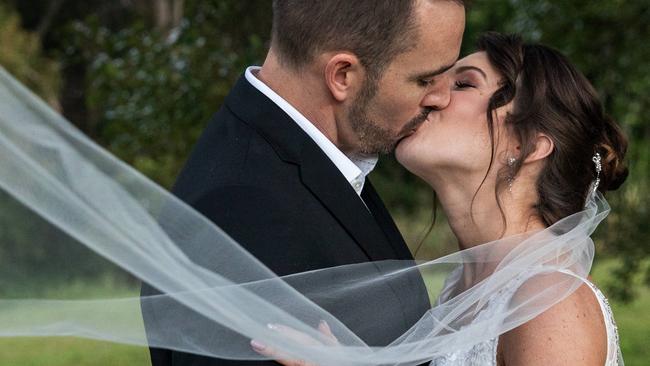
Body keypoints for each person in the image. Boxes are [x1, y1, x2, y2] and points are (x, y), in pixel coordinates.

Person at [252, 32, 628, 366]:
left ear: (527, 145)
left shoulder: (548, 301)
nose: (431, 95)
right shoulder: (459, 288)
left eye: (464, 84)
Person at [141, 1, 466, 365]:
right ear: (342, 75)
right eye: (425, 79)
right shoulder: (243, 209)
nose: (441, 97)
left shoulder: (311, 158)